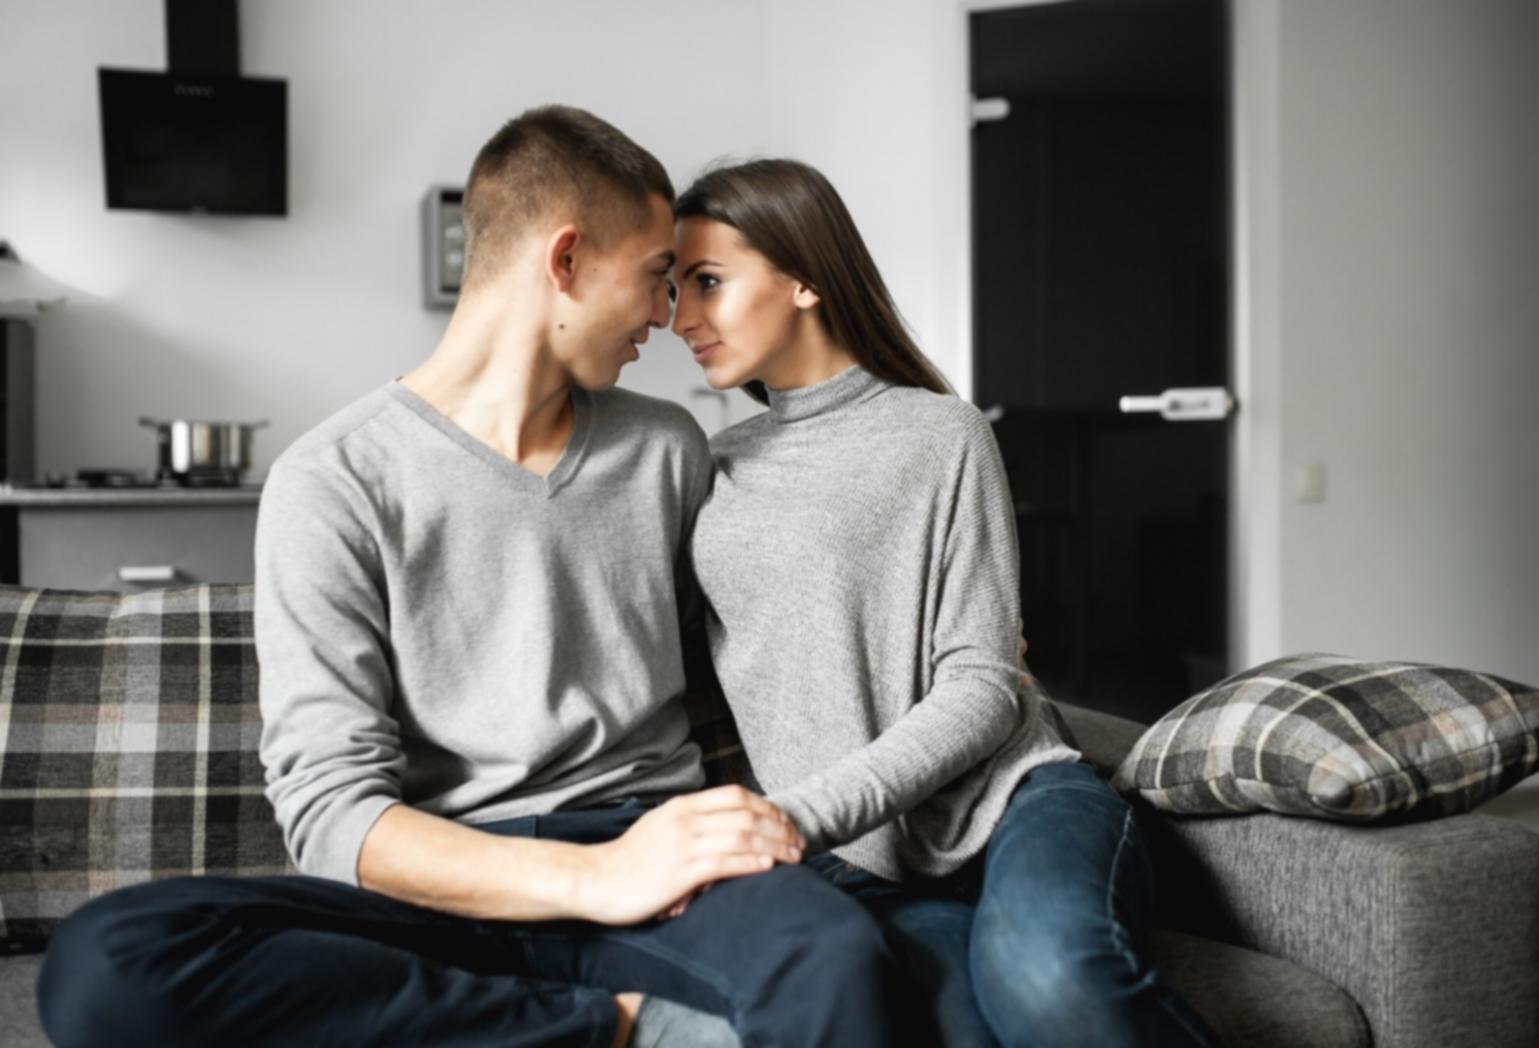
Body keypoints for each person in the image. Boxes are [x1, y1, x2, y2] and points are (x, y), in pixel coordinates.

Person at [36, 109, 901, 1048]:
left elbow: (772, 630)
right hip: (441, 889)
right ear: (564, 260)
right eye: (656, 276)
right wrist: (593, 881)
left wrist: (928, 638)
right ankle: (611, 1030)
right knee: (110, 962)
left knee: (835, 953)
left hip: (659, 858)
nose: (666, 315)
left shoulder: (665, 448)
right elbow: (332, 816)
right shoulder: (334, 481)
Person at [671, 158, 1217, 1048]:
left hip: (1015, 801)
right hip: (864, 863)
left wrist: (800, 818)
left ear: (804, 274)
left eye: (707, 283)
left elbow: (982, 683)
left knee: (1051, 984)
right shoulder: (710, 468)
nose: (679, 319)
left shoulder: (940, 432)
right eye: (673, 288)